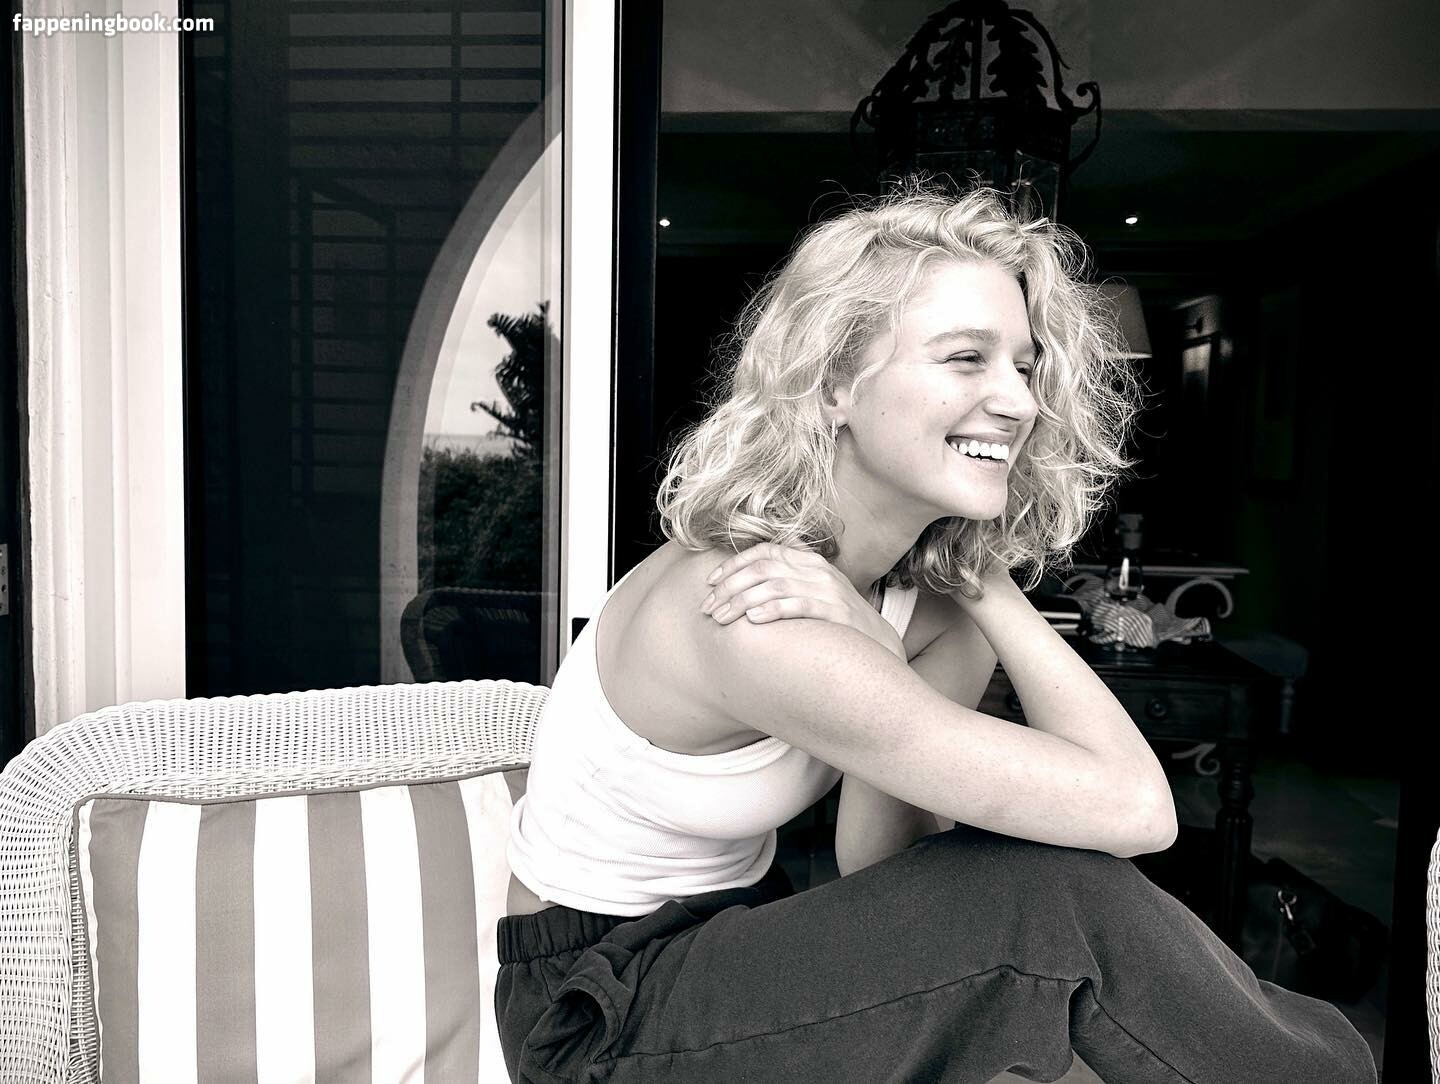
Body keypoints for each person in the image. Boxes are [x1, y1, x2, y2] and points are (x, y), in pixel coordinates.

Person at [495, 182, 1376, 1083]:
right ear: (834, 383)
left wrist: (983, 583)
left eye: (1025, 367)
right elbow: (1139, 812)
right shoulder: (750, 603)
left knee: (1044, 884)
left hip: (730, 943)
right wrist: (907, 641)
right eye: (966, 358)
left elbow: (890, 861)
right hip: (599, 1009)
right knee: (1053, 906)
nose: (1019, 402)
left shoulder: (919, 606)